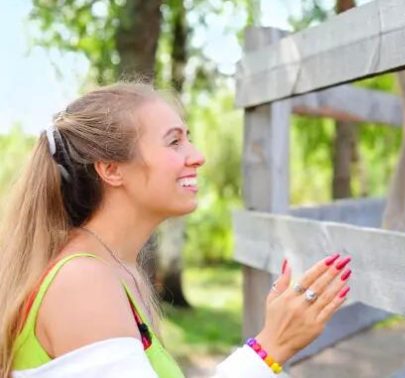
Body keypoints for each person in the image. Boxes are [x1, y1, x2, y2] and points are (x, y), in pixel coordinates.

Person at [0, 83, 353, 377]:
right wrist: (270, 347)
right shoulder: (82, 283)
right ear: (111, 170)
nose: (197, 155)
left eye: (188, 139)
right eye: (174, 142)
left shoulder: (117, 272)